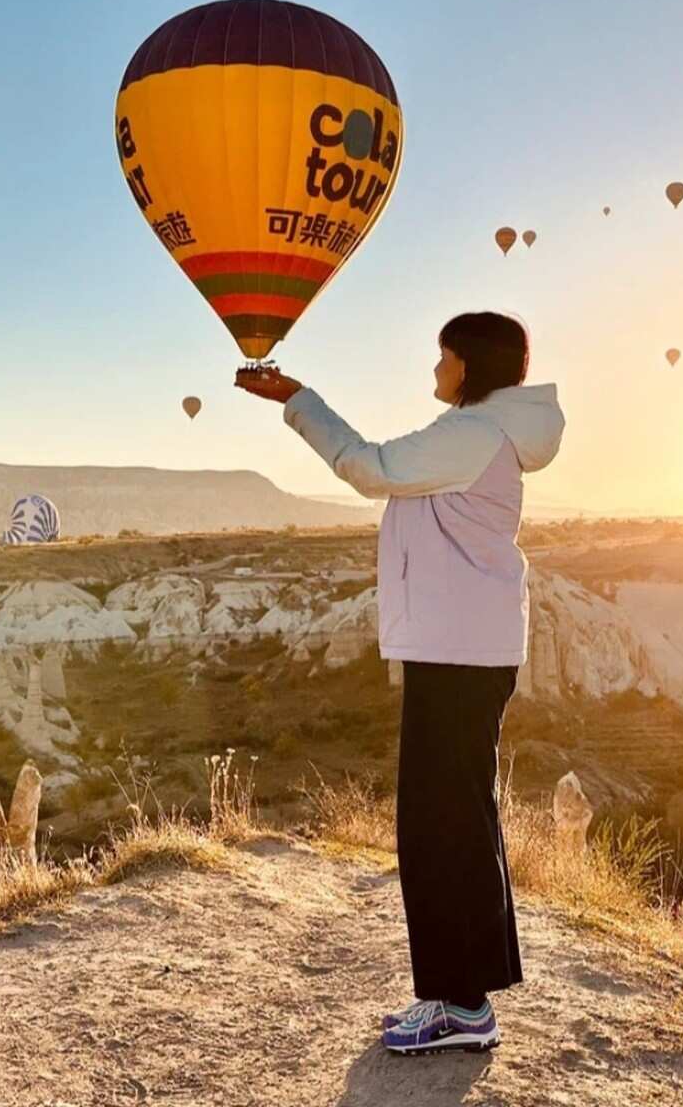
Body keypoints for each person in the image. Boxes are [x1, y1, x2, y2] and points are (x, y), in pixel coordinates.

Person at [235, 311, 565, 1056]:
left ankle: (462, 1004)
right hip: (467, 647)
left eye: (444, 357)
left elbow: (369, 465)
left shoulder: (473, 433)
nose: (436, 369)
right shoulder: (491, 431)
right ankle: (466, 995)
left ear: (469, 366)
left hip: (455, 651)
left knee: (439, 824)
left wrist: (296, 398)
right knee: (460, 816)